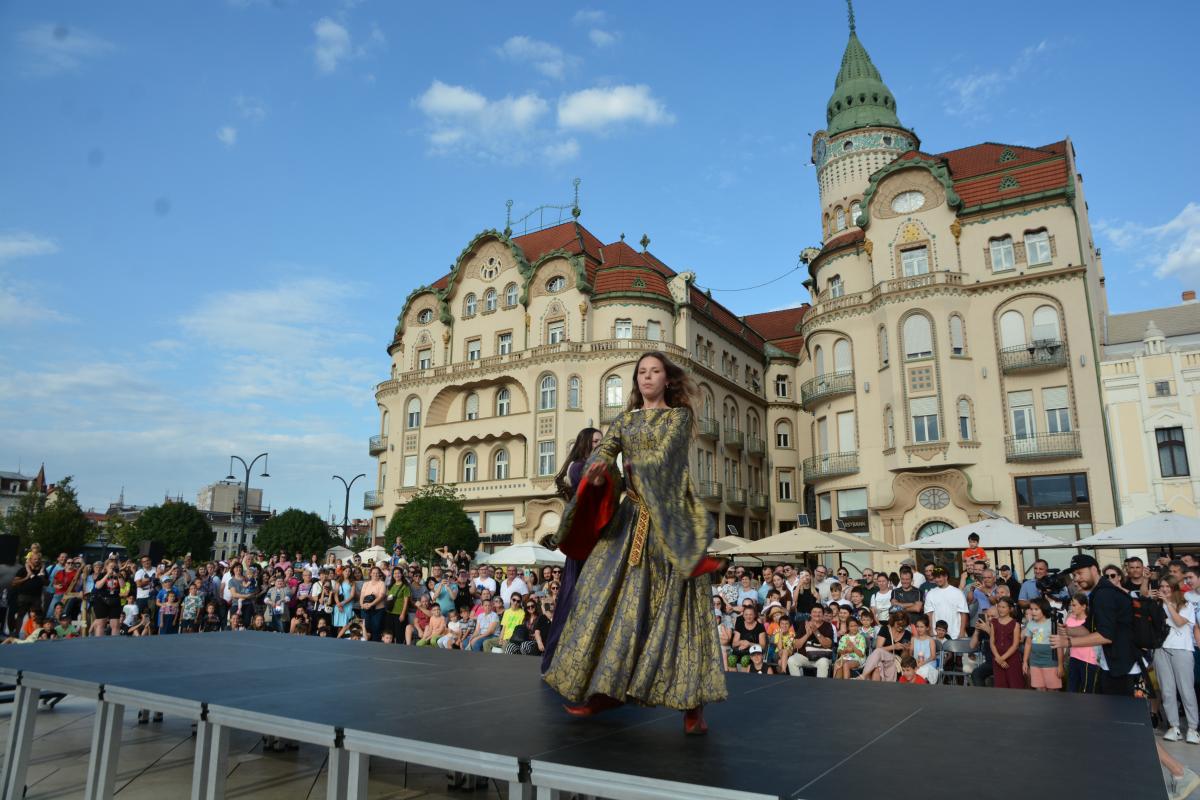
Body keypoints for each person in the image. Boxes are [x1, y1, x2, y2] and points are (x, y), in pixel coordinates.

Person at [543, 351, 727, 735]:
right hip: (632, 518)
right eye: (641, 372)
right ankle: (604, 688)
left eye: (654, 371)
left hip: (671, 521)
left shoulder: (679, 418)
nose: (647, 377)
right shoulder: (624, 420)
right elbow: (603, 453)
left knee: (679, 611)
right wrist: (597, 473)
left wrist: (627, 468)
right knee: (601, 595)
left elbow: (665, 458)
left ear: (667, 379)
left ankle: (692, 705)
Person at [541, 426, 603, 672]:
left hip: (597, 534)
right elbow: (591, 484)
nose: (601, 444)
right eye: (596, 440)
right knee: (575, 596)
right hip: (584, 537)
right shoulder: (578, 467)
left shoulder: (600, 466)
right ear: (586, 443)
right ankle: (563, 657)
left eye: (603, 440)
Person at [1154, 578, 1199, 743]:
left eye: (1168, 586)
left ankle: (1193, 728)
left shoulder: (1186, 605)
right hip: (1161, 649)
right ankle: (1174, 726)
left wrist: (1168, 603)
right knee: (1167, 690)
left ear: (1175, 589)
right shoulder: (1157, 605)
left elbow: (1179, 622)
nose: (1165, 589)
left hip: (1182, 650)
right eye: (1162, 586)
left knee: (1186, 689)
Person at [1022, 598, 1062, 691]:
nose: (1033, 612)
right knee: (1039, 689)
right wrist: (1025, 661)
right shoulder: (1030, 624)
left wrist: (1060, 665)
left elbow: (1059, 646)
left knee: (1052, 690)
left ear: (1044, 609)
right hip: (1035, 662)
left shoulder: (1052, 624)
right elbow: (1028, 643)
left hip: (1051, 662)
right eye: (1031, 609)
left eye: (1036, 609)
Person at [859, 611, 910, 682]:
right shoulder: (885, 629)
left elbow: (904, 658)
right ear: (893, 622)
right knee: (877, 666)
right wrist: (893, 647)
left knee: (878, 656)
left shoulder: (907, 634)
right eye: (898, 624)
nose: (901, 627)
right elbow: (878, 648)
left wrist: (906, 650)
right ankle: (872, 687)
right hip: (882, 658)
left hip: (895, 660)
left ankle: (863, 676)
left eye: (903, 625)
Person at [1064, 593, 1099, 693]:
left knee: (1086, 691)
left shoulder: (1089, 622)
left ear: (1083, 606)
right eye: (1071, 605)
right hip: (1073, 658)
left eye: (1074, 605)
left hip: (1087, 660)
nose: (1072, 607)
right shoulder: (1070, 619)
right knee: (1071, 689)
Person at [786, 605, 835, 678]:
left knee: (824, 662)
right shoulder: (804, 624)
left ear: (823, 614)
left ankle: (820, 687)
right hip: (804, 656)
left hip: (821, 657)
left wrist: (816, 631)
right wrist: (807, 634)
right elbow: (796, 645)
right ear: (811, 614)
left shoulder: (828, 626)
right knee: (791, 660)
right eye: (814, 612)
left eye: (819, 612)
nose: (817, 614)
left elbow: (827, 645)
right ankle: (797, 684)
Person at [923, 567, 968, 639]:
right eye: (935, 577)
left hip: (955, 634)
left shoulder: (957, 592)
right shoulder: (930, 593)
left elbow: (963, 613)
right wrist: (931, 630)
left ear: (946, 577)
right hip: (937, 635)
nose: (937, 580)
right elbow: (929, 614)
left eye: (939, 577)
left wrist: (962, 632)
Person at [910, 615, 940, 684]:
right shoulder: (913, 639)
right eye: (917, 626)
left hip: (928, 664)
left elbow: (933, 656)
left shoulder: (930, 640)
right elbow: (910, 652)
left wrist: (922, 663)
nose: (919, 629)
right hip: (916, 663)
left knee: (923, 670)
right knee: (910, 670)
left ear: (927, 628)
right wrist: (914, 662)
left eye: (922, 627)